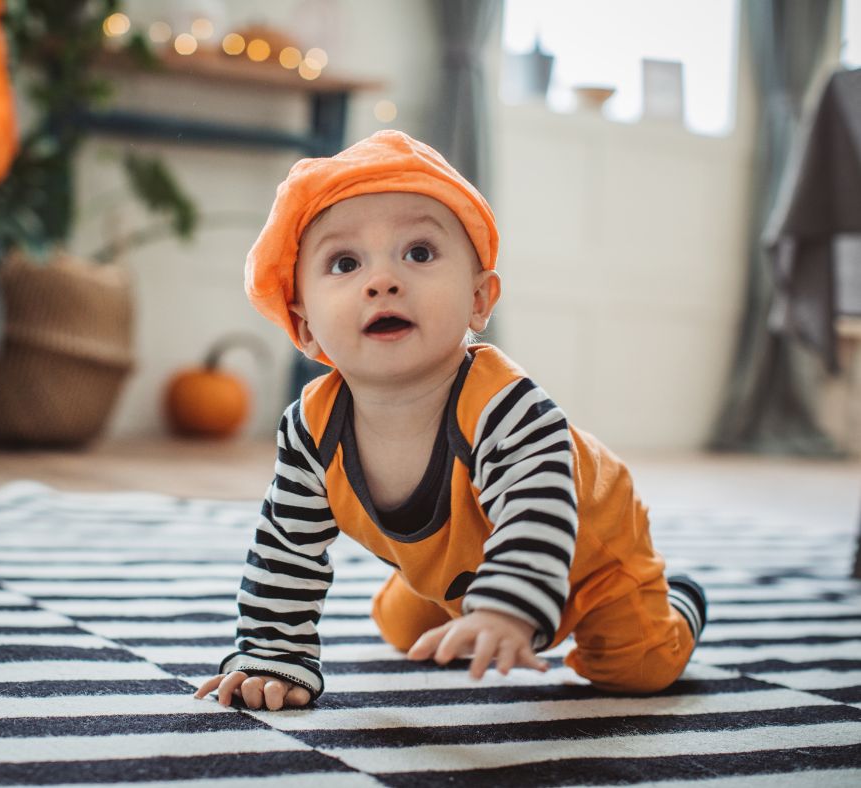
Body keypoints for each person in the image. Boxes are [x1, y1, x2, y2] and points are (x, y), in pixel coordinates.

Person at [195, 130, 706, 712]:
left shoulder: (506, 406)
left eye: (419, 253)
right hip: (459, 566)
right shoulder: (312, 429)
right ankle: (454, 591)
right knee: (403, 633)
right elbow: (286, 545)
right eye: (344, 262)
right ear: (305, 326)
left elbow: (536, 507)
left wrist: (506, 607)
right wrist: (272, 652)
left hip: (586, 556)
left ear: (479, 300)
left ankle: (679, 602)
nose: (382, 280)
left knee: (637, 667)